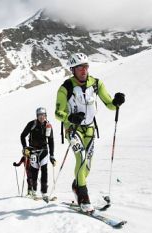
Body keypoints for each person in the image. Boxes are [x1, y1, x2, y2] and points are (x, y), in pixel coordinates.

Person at [55, 53, 125, 212]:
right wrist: (70, 117)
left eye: (86, 66)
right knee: (81, 159)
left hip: (90, 129)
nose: (84, 70)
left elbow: (110, 105)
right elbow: (58, 113)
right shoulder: (66, 87)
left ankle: (77, 185)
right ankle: (83, 197)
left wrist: (117, 102)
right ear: (73, 69)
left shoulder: (96, 83)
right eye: (80, 67)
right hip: (72, 130)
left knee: (87, 165)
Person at [14, 107, 56, 200]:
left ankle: (44, 192)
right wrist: (25, 148)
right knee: (34, 171)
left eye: (43, 115)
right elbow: (22, 136)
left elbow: (51, 140)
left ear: (46, 116)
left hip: (44, 151)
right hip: (33, 151)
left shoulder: (48, 126)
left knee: (44, 171)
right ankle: (34, 191)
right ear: (37, 116)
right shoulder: (32, 124)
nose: (42, 117)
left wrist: (52, 155)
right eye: (40, 115)